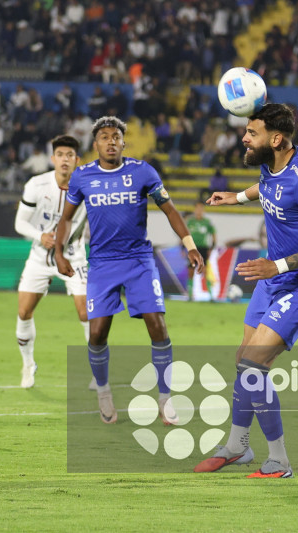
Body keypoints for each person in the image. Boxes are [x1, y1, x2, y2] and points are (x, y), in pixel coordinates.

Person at [194, 103, 298, 478]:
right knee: (243, 360)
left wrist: (278, 267)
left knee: (253, 365)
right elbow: (270, 185)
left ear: (275, 139)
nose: (244, 138)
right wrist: (237, 197)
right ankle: (237, 447)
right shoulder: (269, 161)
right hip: (271, 274)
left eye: (251, 133)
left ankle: (279, 460)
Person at [55, 116, 204, 425]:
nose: (111, 141)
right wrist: (59, 251)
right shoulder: (82, 177)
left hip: (139, 262)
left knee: (158, 326)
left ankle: (165, 399)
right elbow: (67, 218)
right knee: (97, 333)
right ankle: (104, 392)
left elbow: (170, 209)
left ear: (124, 142)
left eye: (116, 137)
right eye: (104, 137)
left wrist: (189, 244)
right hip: (102, 264)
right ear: (95, 144)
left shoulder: (142, 171)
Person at [14, 135, 87, 389]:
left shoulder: (88, 187)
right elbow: (20, 223)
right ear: (52, 158)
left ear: (77, 160)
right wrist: (40, 235)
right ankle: (28, 364)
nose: (65, 160)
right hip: (40, 256)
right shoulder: (36, 185)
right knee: (24, 312)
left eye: (70, 155)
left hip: (73, 256)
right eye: (60, 155)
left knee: (86, 312)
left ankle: (98, 369)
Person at [186, 201, 217, 302]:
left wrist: (212, 247)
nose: (199, 210)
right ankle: (190, 295)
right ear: (195, 209)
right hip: (192, 248)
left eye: (201, 208)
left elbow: (213, 234)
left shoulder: (207, 222)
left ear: (203, 210)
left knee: (205, 271)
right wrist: (183, 247)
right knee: (191, 271)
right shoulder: (190, 222)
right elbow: (184, 235)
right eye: (197, 208)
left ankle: (211, 296)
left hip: (203, 249)